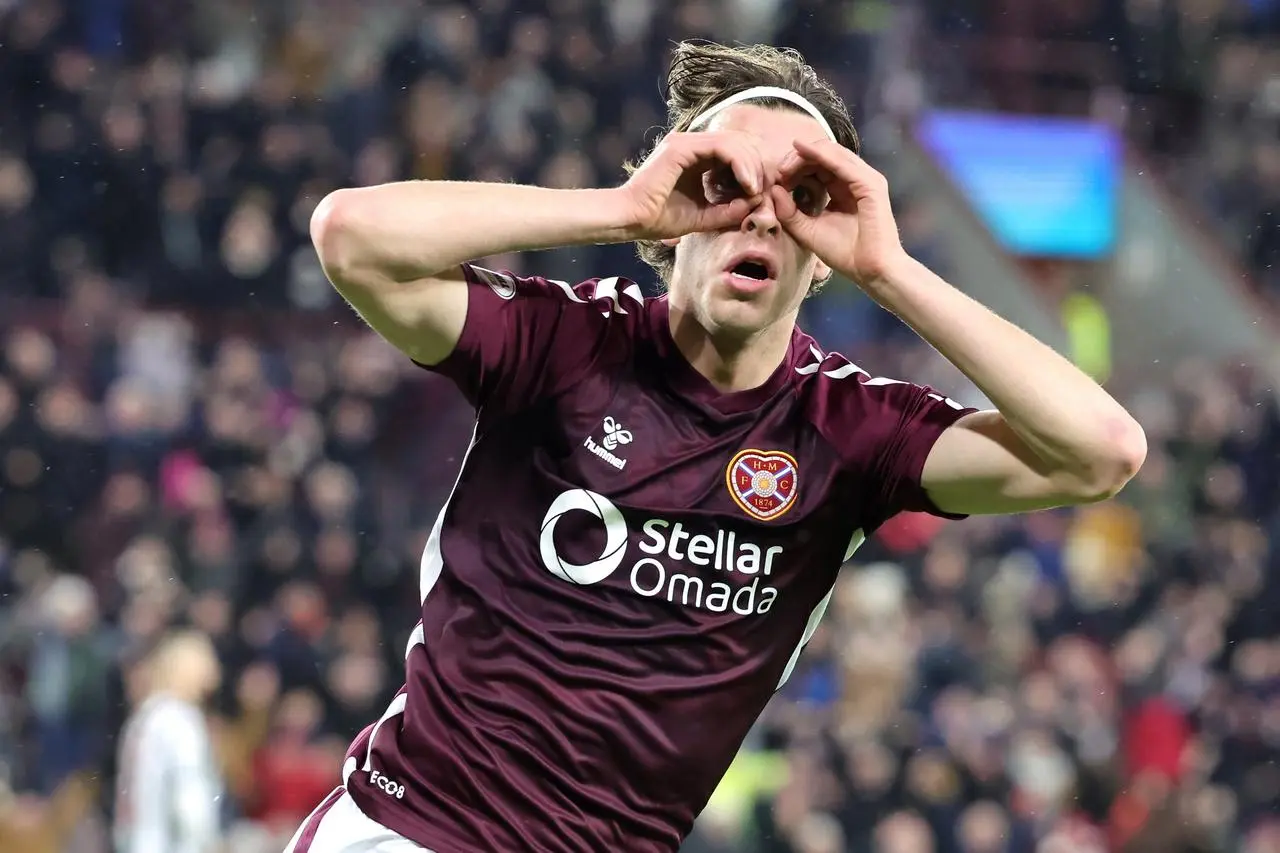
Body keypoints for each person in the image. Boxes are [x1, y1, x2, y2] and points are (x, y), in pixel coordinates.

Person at [296, 41, 1146, 853]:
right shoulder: (563, 343)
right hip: (409, 828)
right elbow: (348, 236)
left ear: (822, 260)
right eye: (725, 181)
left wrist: (888, 269)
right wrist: (621, 206)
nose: (761, 216)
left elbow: (1101, 450)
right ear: (676, 217)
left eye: (804, 198)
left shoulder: (849, 431)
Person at [113, 630, 224, 853]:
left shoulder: (144, 716)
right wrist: (207, 839)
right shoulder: (180, 720)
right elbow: (189, 788)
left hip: (137, 842)